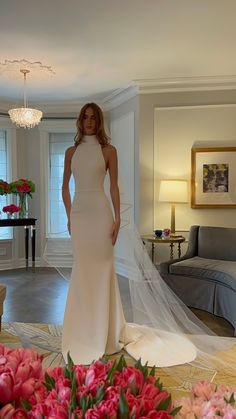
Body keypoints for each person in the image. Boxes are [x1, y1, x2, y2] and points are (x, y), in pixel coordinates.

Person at [61, 102, 199, 367]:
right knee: (82, 270)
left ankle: (108, 332)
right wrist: (68, 215)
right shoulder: (71, 152)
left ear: (99, 121)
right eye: (85, 117)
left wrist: (117, 219)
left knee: (103, 270)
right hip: (79, 215)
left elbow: (113, 188)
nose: (89, 121)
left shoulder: (109, 150)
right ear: (81, 121)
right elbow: (64, 187)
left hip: (101, 215)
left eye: (93, 117)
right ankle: (82, 330)